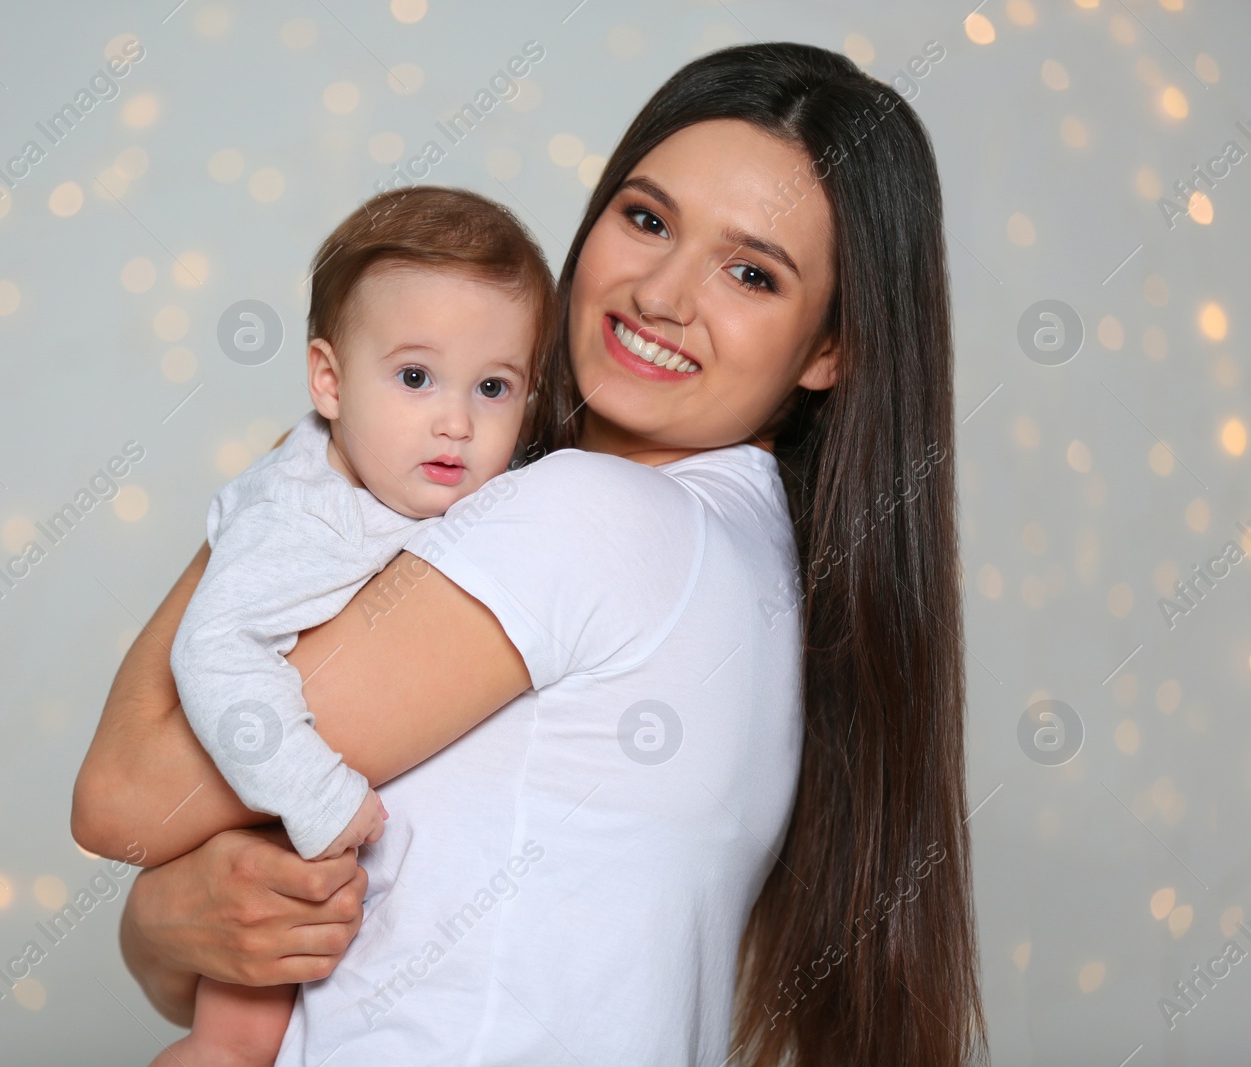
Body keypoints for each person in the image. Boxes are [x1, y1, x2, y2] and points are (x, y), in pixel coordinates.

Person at [74, 41, 986, 1066]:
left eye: (748, 272)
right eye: (645, 219)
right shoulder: (742, 557)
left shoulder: (593, 518)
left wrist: (304, 468)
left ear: (830, 347)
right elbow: (317, 933)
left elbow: (124, 796)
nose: (661, 294)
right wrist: (162, 928)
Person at [163, 185, 555, 1064]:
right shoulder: (303, 516)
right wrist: (316, 796)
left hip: (340, 822)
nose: (456, 420)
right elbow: (213, 646)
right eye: (415, 377)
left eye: (494, 387)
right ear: (329, 381)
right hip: (265, 811)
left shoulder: (415, 478)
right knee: (232, 1042)